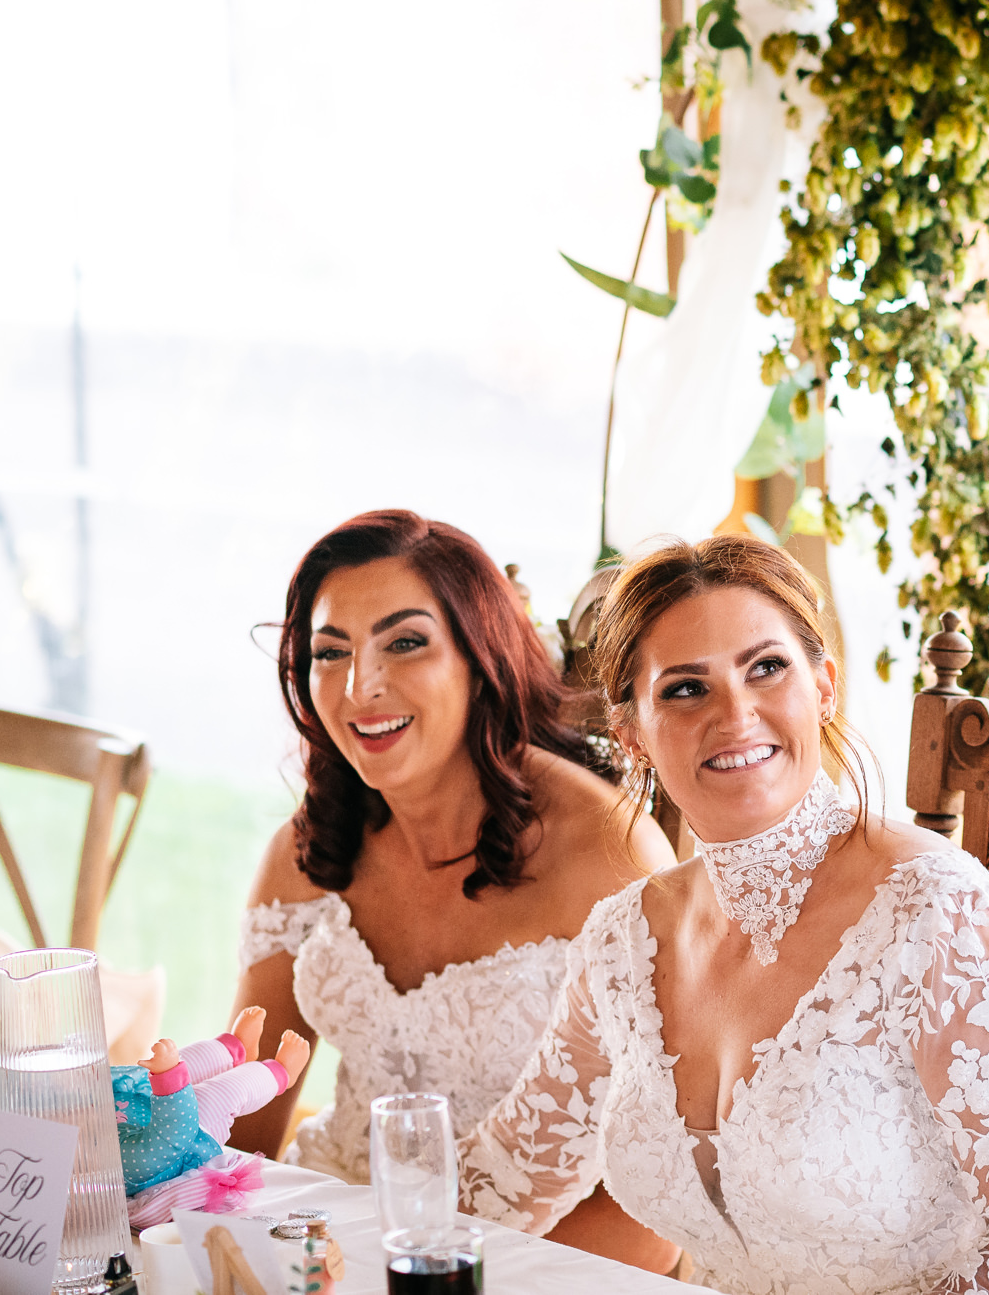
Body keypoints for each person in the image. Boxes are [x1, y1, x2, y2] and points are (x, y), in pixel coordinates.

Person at [454, 534, 989, 1295]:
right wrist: (330, 1227)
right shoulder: (622, 942)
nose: (736, 713)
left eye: (766, 667)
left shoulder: (935, 916)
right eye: (685, 688)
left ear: (824, 684)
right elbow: (510, 1172)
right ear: (633, 733)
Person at [229, 510, 680, 1272]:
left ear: (480, 659)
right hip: (337, 1241)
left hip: (544, 1262)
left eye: (405, 642)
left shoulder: (606, 851)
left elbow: (659, 1202)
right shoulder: (307, 849)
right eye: (328, 651)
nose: (359, 686)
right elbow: (245, 1128)